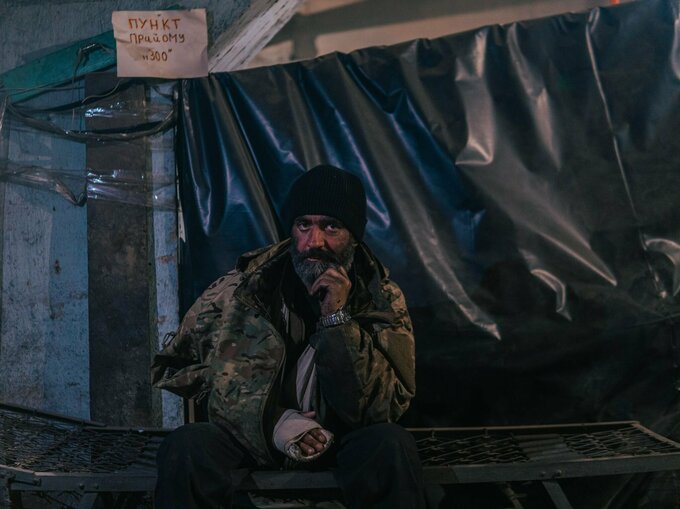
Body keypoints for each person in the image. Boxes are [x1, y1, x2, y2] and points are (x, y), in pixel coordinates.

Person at [151, 164, 425, 508]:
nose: (314, 242)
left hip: (340, 440)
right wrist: (272, 421)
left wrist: (336, 320)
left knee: (391, 445)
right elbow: (176, 367)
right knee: (187, 447)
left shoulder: (380, 298)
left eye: (331, 226)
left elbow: (383, 407)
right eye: (303, 225)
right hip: (254, 439)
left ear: (354, 235)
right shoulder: (242, 290)